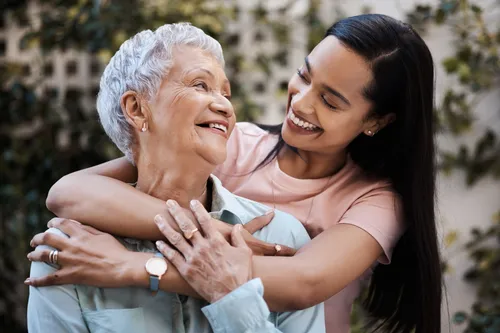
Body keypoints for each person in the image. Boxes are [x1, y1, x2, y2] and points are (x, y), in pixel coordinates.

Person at [27, 14, 442, 333]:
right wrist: (217, 232)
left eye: (331, 102)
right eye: (303, 76)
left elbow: (301, 281)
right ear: (137, 109)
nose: (301, 103)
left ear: (377, 121)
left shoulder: (371, 201)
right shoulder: (234, 143)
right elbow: (72, 190)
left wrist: (136, 267)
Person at [26, 23, 326, 333]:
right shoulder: (70, 249)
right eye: (200, 85)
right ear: (137, 109)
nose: (225, 105)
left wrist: (228, 295)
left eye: (226, 92)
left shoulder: (279, 236)